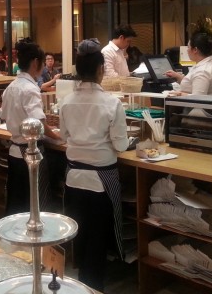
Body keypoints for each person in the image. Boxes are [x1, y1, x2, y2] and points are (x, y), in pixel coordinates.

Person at [60, 38, 129, 291]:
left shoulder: (66, 101)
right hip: (102, 180)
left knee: (79, 230)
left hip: (74, 177)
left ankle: (79, 282)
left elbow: (64, 136)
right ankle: (93, 284)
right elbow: (121, 145)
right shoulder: (112, 103)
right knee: (99, 236)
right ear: (101, 69)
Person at [0, 39, 62, 215]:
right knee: (35, 203)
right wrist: (58, 136)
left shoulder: (11, 86)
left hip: (14, 151)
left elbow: (3, 114)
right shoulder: (30, 88)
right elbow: (39, 123)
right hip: (30, 154)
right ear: (36, 62)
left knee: (16, 202)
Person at [165, 16, 212, 95]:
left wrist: (178, 94)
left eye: (188, 47)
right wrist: (177, 76)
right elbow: (192, 84)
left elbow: (197, 99)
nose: (187, 50)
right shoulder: (204, 64)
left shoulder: (202, 71)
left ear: (195, 50)